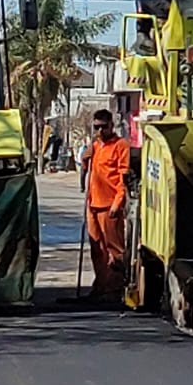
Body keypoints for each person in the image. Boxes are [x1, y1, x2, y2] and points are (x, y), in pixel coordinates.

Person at [83, 109, 130, 301]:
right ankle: (100, 285)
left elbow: (123, 178)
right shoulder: (94, 146)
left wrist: (118, 202)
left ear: (111, 125)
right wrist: (85, 158)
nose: (100, 131)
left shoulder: (120, 145)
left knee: (114, 249)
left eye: (104, 127)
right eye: (97, 127)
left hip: (110, 204)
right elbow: (88, 170)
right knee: (97, 249)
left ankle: (115, 288)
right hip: (93, 203)